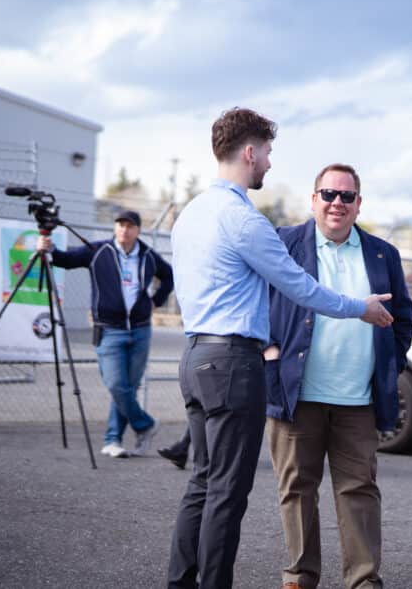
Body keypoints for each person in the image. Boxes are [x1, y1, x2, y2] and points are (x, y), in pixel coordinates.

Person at [166, 107, 395, 589]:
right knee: (227, 490)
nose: (269, 163)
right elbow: (300, 286)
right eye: (267, 153)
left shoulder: (192, 213)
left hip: (194, 357)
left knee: (202, 483)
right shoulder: (243, 219)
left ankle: (180, 582)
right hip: (231, 364)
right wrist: (361, 307)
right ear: (249, 152)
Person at [265, 163, 412, 589]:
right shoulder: (283, 243)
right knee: (296, 488)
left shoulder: (383, 254)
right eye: (328, 194)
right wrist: (268, 354)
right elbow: (255, 299)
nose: (336, 203)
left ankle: (364, 581)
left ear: (358, 204)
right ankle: (299, 575)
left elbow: (402, 318)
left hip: (358, 400)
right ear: (313, 200)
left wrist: (390, 363)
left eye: (346, 197)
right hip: (295, 395)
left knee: (359, 492)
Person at [36, 210, 173, 458]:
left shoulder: (148, 256)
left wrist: (156, 302)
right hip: (109, 331)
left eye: (130, 226)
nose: (124, 230)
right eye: (120, 224)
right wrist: (49, 249)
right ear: (114, 228)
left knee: (128, 387)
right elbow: (65, 260)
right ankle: (145, 425)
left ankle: (113, 440)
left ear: (138, 231)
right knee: (116, 384)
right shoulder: (98, 250)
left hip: (141, 330)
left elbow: (169, 275)